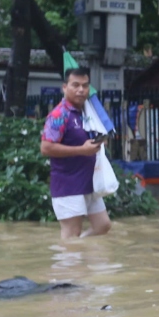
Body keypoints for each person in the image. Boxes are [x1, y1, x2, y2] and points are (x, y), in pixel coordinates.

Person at [40, 68, 113, 240]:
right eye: (76, 85)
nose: (81, 90)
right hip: (68, 185)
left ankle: (76, 259)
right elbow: (46, 148)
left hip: (89, 183)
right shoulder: (59, 114)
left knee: (103, 225)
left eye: (85, 86)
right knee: (71, 234)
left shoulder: (87, 112)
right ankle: (69, 262)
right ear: (64, 87)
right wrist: (82, 150)